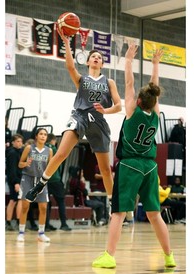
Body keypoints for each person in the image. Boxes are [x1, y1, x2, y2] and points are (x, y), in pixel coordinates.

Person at [92, 42, 176, 268]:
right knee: (154, 214)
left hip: (129, 165)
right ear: (153, 101)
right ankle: (169, 257)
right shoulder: (156, 114)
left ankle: (109, 256)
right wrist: (155, 64)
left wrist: (128, 59)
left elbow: (129, 82)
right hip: (150, 166)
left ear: (138, 100)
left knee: (118, 213)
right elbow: (154, 87)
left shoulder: (132, 109)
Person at [25, 27, 122, 206]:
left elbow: (118, 106)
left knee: (105, 170)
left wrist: (105, 111)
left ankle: (113, 205)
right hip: (80, 116)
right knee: (61, 152)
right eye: (94, 56)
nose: (96, 58)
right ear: (88, 62)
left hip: (99, 121)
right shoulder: (82, 79)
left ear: (102, 64)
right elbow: (69, 65)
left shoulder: (109, 82)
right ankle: (41, 184)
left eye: (100, 58)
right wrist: (67, 42)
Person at [17, 128, 53, 243]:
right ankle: (21, 233)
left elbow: (50, 167)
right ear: (36, 136)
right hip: (27, 179)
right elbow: (19, 164)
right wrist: (26, 163)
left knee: (43, 208)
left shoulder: (49, 151)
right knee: (25, 207)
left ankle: (41, 234)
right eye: (41, 134)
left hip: (41, 181)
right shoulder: (29, 148)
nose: (43, 136)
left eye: (45, 134)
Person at [45, 133, 72, 231]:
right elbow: (59, 165)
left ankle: (46, 225)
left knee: (46, 203)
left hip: (45, 180)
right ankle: (64, 224)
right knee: (61, 202)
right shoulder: (54, 149)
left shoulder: (42, 148)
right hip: (55, 179)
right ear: (53, 140)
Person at [5, 134, 24, 231]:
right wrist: (16, 182)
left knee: (17, 200)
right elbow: (12, 169)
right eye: (17, 141)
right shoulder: (12, 153)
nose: (20, 143)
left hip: (18, 179)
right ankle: (10, 222)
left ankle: (15, 222)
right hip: (14, 179)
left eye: (21, 141)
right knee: (13, 200)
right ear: (12, 142)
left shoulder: (19, 152)